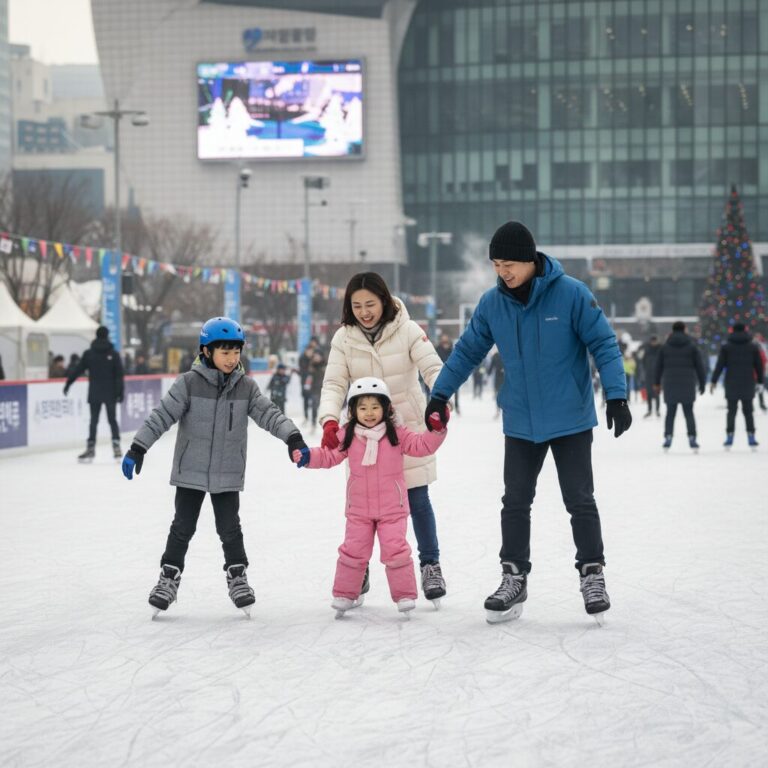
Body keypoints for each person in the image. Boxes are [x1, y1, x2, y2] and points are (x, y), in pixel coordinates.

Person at [423, 221, 629, 624]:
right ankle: (513, 577)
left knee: (579, 500)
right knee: (515, 502)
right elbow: (466, 352)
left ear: (531, 259)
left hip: (570, 417)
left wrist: (617, 394)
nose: (504, 272)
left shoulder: (571, 293)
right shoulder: (491, 304)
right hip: (520, 421)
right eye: (497, 264)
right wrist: (440, 393)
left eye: (510, 263)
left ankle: (592, 574)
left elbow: (603, 342)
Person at [121, 317, 308, 617]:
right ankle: (168, 578)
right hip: (190, 471)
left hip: (227, 472)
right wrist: (138, 447)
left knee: (230, 528)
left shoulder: (246, 387)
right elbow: (161, 416)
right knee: (182, 527)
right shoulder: (188, 383)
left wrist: (293, 438)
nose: (232, 358)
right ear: (206, 351)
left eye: (236, 352)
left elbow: (269, 414)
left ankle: (238, 577)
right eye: (225, 352)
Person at [318, 272, 447, 602]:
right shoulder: (343, 339)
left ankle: (430, 566)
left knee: (417, 500)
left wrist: (440, 401)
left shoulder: (407, 329)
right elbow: (334, 383)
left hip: (407, 426)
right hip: (363, 435)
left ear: (384, 301)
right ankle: (357, 572)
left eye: (370, 304)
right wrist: (330, 420)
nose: (364, 312)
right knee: (363, 509)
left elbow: (434, 369)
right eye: (357, 305)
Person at [293, 377, 447, 616]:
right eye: (362, 407)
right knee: (353, 551)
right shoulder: (349, 434)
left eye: (375, 407)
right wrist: (307, 456)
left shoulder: (396, 433)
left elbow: (421, 446)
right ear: (353, 410)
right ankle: (345, 594)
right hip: (359, 510)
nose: (369, 413)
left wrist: (436, 430)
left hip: (392, 509)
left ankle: (404, 595)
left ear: (386, 408)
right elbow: (329, 455)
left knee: (396, 550)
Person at [63, 326, 125, 462]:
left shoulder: (89, 354)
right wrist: (120, 392)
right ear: (107, 335)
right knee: (112, 420)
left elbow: (78, 369)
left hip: (95, 392)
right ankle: (116, 447)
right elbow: (119, 375)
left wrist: (68, 383)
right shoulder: (113, 354)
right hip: (110, 393)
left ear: (96, 336)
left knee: (93, 421)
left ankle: (90, 448)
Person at [653, 321, 706, 450]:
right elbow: (700, 367)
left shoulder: (665, 347)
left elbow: (658, 367)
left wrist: (657, 383)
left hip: (670, 384)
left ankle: (668, 437)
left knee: (670, 413)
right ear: (685, 330)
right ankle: (692, 437)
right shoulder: (692, 347)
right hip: (688, 384)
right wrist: (702, 383)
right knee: (689, 413)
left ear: (673, 330)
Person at [710, 322, 764, 448]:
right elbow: (758, 366)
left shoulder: (727, 347)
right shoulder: (752, 346)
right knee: (748, 411)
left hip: (731, 382)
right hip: (747, 382)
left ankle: (730, 436)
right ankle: (751, 436)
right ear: (745, 330)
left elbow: (720, 365)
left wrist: (714, 380)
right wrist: (760, 381)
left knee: (731, 411)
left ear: (732, 331)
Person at [436, 334, 460, 415]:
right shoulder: (438, 349)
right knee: (441, 392)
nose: (445, 341)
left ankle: (457, 406)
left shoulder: (452, 349)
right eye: (443, 339)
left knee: (456, 391)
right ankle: (442, 407)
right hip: (441, 372)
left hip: (452, 372)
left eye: (446, 339)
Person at [639, 335, 662, 417]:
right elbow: (642, 360)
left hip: (657, 375)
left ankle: (657, 410)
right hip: (648, 374)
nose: (654, 343)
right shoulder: (647, 349)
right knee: (649, 393)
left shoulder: (660, 349)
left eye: (655, 341)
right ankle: (649, 410)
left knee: (657, 393)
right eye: (653, 341)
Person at [298, 338, 319, 425]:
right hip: (305, 383)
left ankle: (314, 420)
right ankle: (306, 417)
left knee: (314, 401)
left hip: (314, 384)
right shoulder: (302, 358)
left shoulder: (316, 357)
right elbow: (301, 370)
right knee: (306, 400)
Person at [486, 347, 504, 418]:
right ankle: (498, 410)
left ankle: (506, 411)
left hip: (506, 377)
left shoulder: (506, 354)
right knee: (498, 394)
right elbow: (491, 366)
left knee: (505, 394)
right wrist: (488, 374)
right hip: (498, 378)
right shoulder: (495, 356)